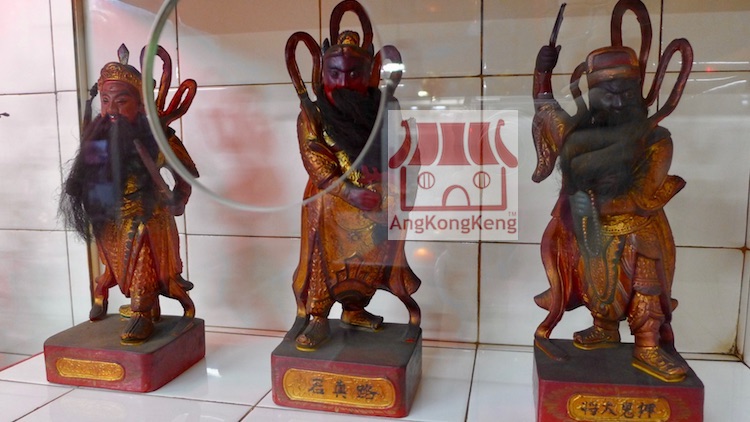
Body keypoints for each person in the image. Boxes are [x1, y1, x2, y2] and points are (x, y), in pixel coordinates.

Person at [531, 43, 688, 382]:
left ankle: (647, 346)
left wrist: (592, 199)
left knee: (645, 285)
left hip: (636, 230)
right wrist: (542, 73)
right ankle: (604, 327)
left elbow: (641, 195)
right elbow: (547, 112)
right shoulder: (579, 135)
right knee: (593, 281)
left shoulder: (656, 140)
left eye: (626, 94)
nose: (617, 103)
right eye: (607, 94)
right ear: (592, 95)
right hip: (591, 229)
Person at [289, 26, 421, 350]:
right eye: (335, 74)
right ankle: (318, 317)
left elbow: (397, 150)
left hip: (375, 202)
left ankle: (355, 308)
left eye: (353, 74)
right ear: (323, 73)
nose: (344, 82)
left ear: (368, 74)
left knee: (370, 261)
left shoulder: (382, 109)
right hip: (332, 203)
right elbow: (314, 156)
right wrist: (348, 192)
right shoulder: (313, 114)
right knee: (325, 261)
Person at [60, 44, 198, 343]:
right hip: (110, 217)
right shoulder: (100, 137)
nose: (111, 109)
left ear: (139, 104)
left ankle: (141, 312)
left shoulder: (160, 140)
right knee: (112, 262)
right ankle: (102, 292)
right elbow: (89, 177)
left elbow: (186, 177)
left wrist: (178, 199)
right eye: (106, 100)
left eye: (121, 101)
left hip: (146, 215)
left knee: (142, 248)